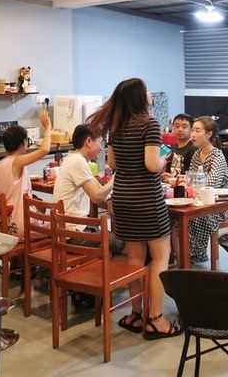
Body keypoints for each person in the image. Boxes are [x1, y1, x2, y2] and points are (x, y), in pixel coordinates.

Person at [87, 77, 181, 340]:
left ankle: (137, 314)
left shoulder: (116, 126)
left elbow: (113, 163)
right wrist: (163, 160)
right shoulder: (149, 124)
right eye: (147, 90)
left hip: (123, 197)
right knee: (161, 256)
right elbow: (151, 165)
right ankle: (156, 319)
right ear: (140, 97)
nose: (150, 93)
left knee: (135, 257)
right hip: (147, 198)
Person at [52, 123, 123, 254]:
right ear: (89, 141)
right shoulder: (78, 162)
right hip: (73, 234)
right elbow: (96, 197)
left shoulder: (73, 158)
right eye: (100, 142)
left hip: (67, 230)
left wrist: (109, 199)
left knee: (121, 241)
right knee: (123, 244)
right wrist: (115, 179)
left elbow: (97, 186)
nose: (101, 148)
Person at [0, 107, 52, 240]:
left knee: (43, 216)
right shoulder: (16, 161)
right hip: (20, 227)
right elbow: (44, 150)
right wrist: (48, 127)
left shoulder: (0, 164)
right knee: (60, 226)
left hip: (2, 226)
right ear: (23, 143)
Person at [185, 116, 228, 264]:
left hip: (216, 205)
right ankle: (183, 254)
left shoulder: (217, 156)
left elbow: (211, 183)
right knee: (175, 219)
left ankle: (195, 254)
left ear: (209, 134)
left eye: (197, 131)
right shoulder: (197, 154)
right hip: (198, 200)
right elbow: (190, 179)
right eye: (192, 130)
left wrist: (192, 185)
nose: (193, 134)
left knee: (195, 218)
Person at [164, 113, 197, 178]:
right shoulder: (173, 148)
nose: (180, 129)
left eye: (184, 127)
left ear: (191, 129)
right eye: (177, 126)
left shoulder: (194, 149)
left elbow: (194, 175)